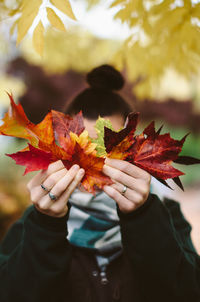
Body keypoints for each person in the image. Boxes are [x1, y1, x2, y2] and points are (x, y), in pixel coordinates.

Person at [0, 65, 200, 302]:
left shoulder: (166, 217)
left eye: (107, 153)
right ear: (60, 149)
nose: (94, 167)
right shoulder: (30, 226)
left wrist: (142, 216)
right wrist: (46, 225)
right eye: (81, 152)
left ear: (132, 150)